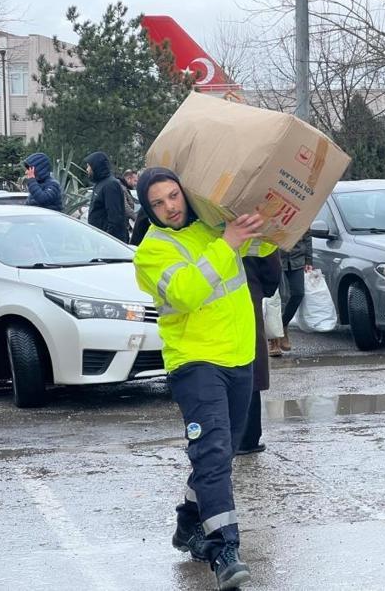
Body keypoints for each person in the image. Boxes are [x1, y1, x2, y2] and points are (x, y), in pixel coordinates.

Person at [133, 167, 276, 590]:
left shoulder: (212, 226)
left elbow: (264, 244)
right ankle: (223, 549)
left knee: (223, 453)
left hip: (238, 356)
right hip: (195, 363)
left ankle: (187, 524)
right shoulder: (152, 251)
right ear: (148, 208)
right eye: (157, 203)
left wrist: (258, 219)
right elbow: (187, 292)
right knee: (213, 454)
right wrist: (227, 242)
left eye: (173, 196)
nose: (169, 207)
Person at [239, 250, 283, 454]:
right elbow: (270, 266)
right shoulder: (254, 218)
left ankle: (204, 435)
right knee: (250, 358)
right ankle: (248, 436)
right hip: (247, 287)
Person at [269, 231, 313, 357]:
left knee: (298, 293)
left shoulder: (302, 212)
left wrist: (309, 259)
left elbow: (307, 235)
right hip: (275, 257)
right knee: (274, 299)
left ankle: (282, 325)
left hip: (296, 258)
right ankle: (273, 340)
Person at [85, 151, 128, 241]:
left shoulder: (111, 185)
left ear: (96, 166)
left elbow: (115, 218)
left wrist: (107, 240)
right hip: (99, 238)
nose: (87, 169)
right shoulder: (99, 184)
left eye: (89, 166)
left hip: (110, 241)